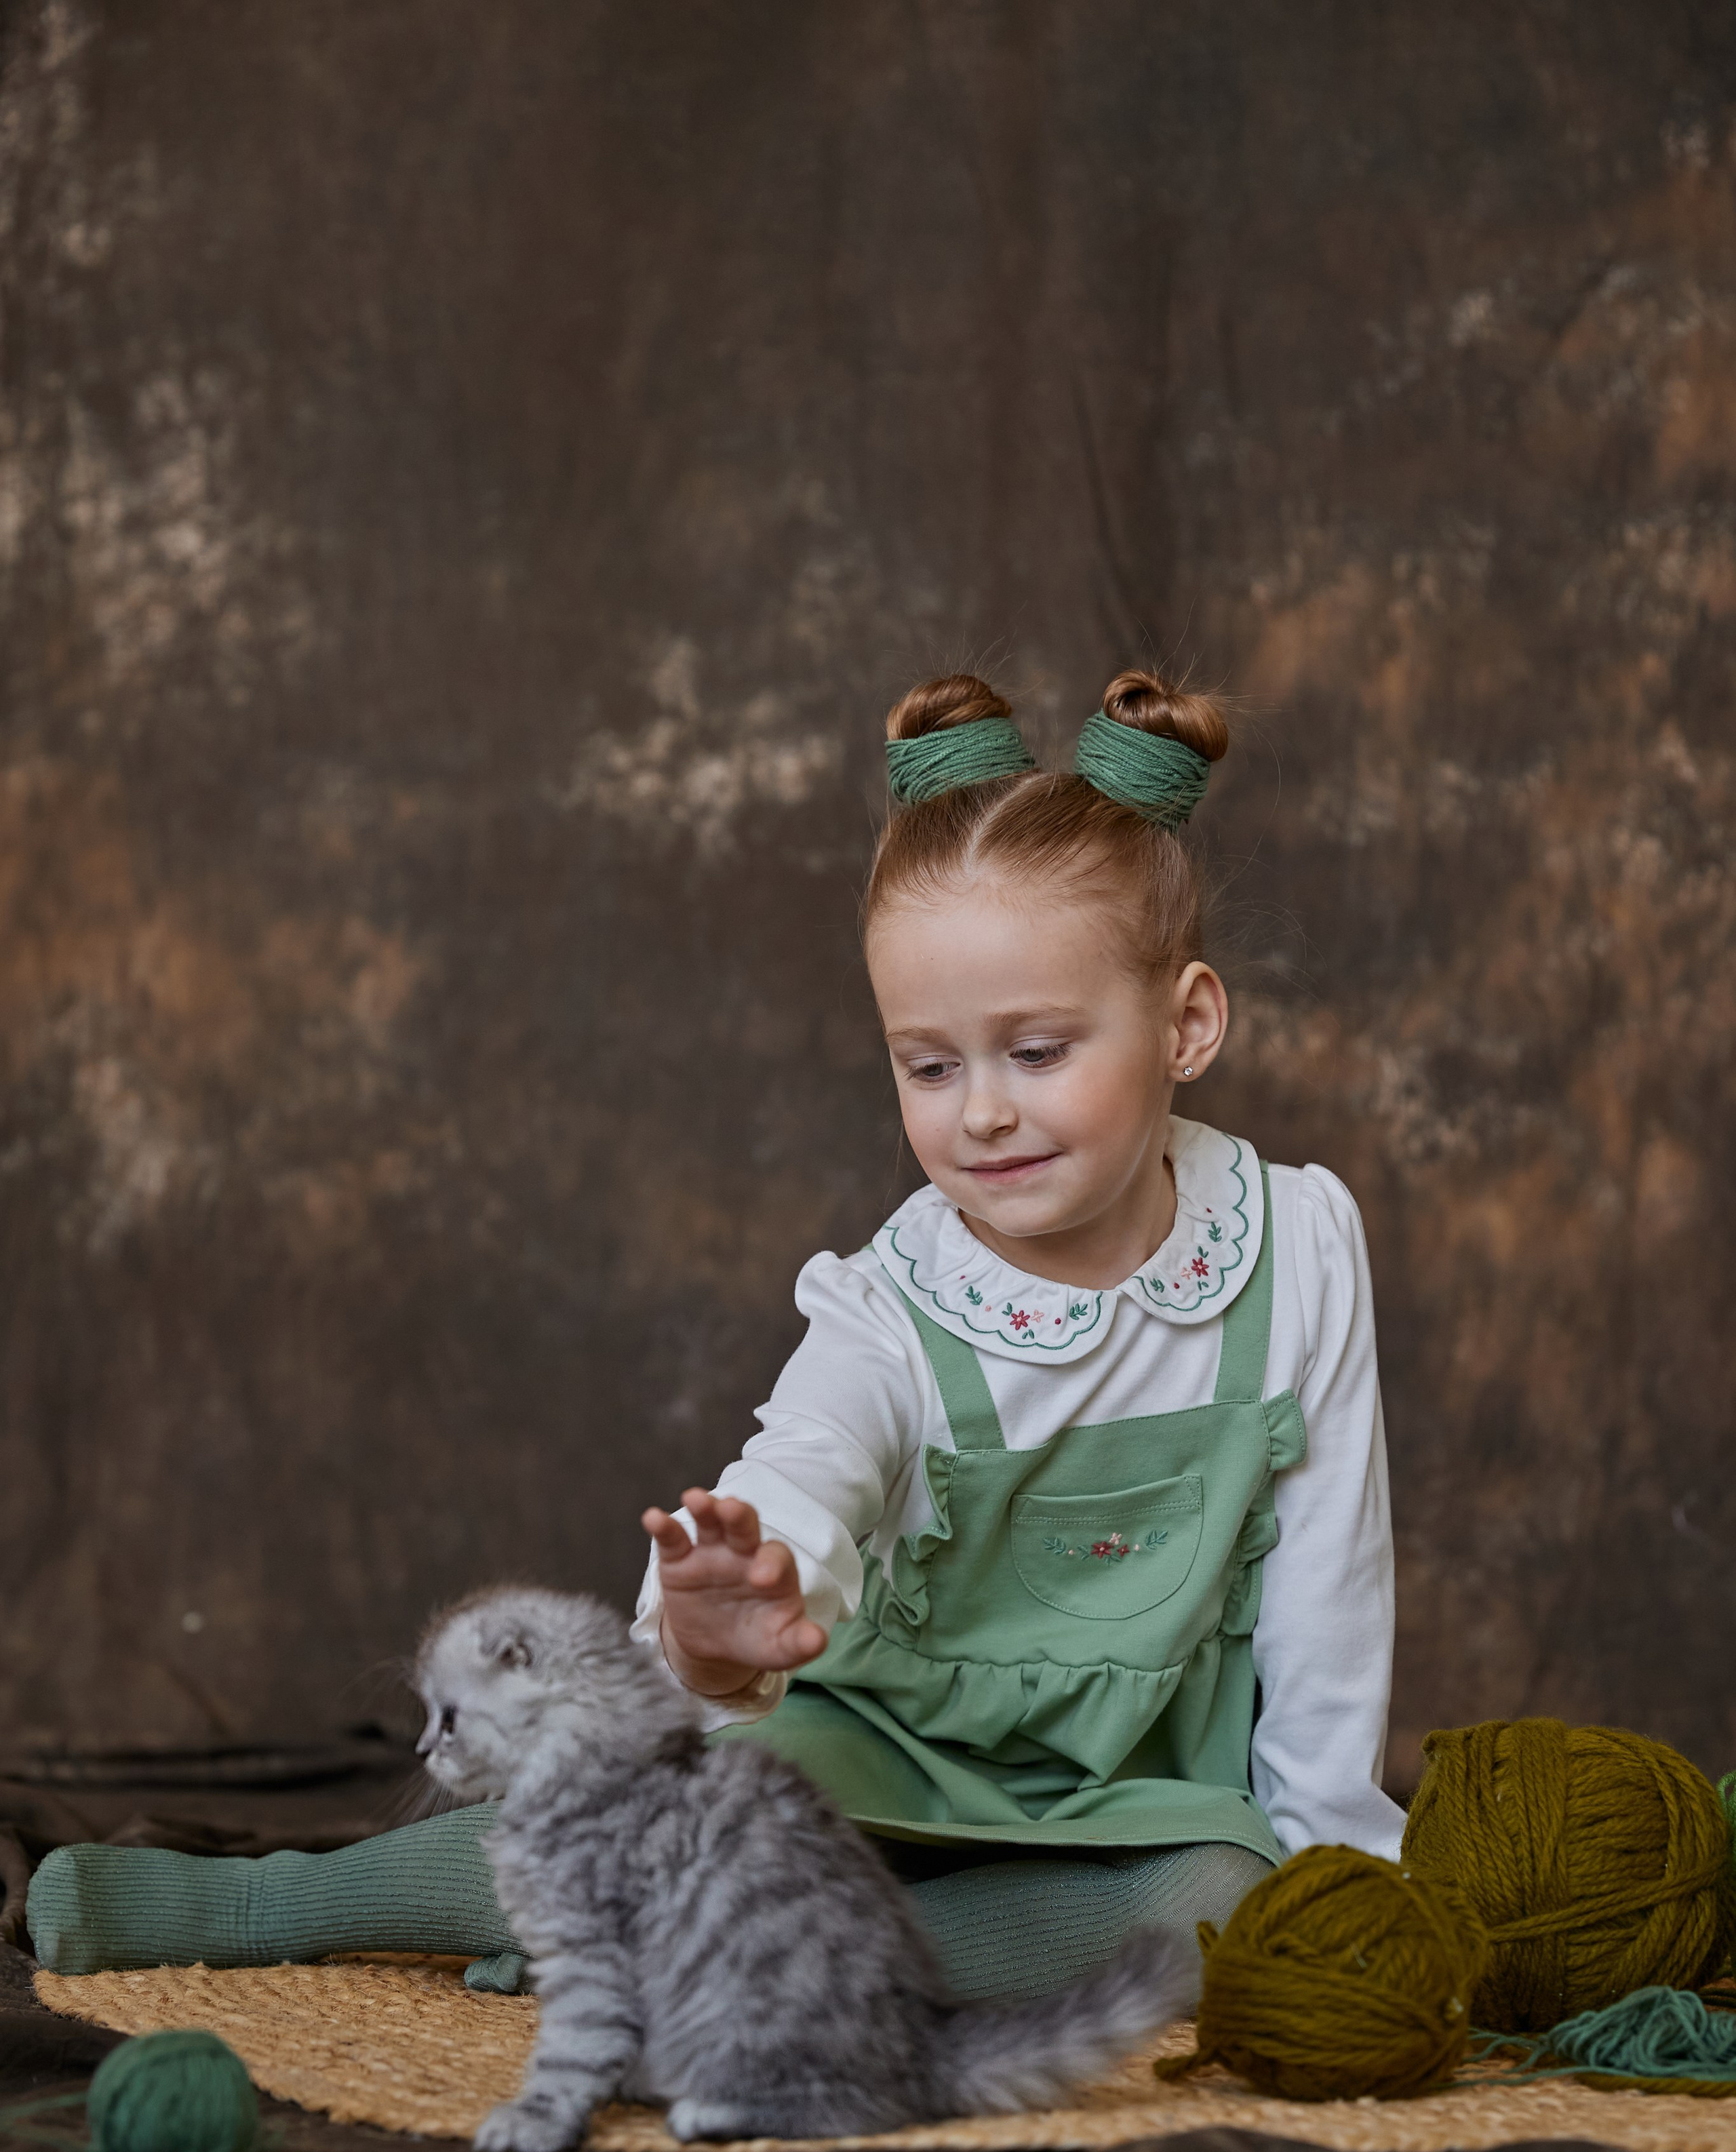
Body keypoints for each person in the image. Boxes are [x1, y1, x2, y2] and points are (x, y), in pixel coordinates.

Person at [27, 666, 1403, 1999]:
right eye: (927, 1065)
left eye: (1036, 1051)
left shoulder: (1295, 1250)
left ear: (1186, 1025)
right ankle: (275, 1902)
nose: (978, 1112)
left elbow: (1327, 1591)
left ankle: (772, 1960)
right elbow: (803, 1468)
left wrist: (1337, 1862)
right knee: (681, 1816)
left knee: (1225, 1902)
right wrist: (737, 1606)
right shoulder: (891, 1305)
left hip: (1135, 1795)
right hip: (883, 1750)